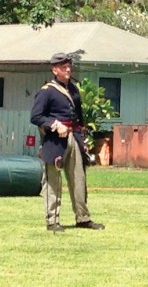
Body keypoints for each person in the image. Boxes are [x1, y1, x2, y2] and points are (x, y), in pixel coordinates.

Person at [30, 52, 105, 232]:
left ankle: (83, 217)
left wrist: (82, 136)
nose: (68, 70)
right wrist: (55, 125)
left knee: (79, 179)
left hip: (74, 138)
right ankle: (52, 220)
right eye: (64, 67)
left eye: (69, 66)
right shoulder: (46, 91)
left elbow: (78, 118)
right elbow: (36, 116)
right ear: (55, 70)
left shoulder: (73, 89)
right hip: (55, 140)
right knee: (53, 182)